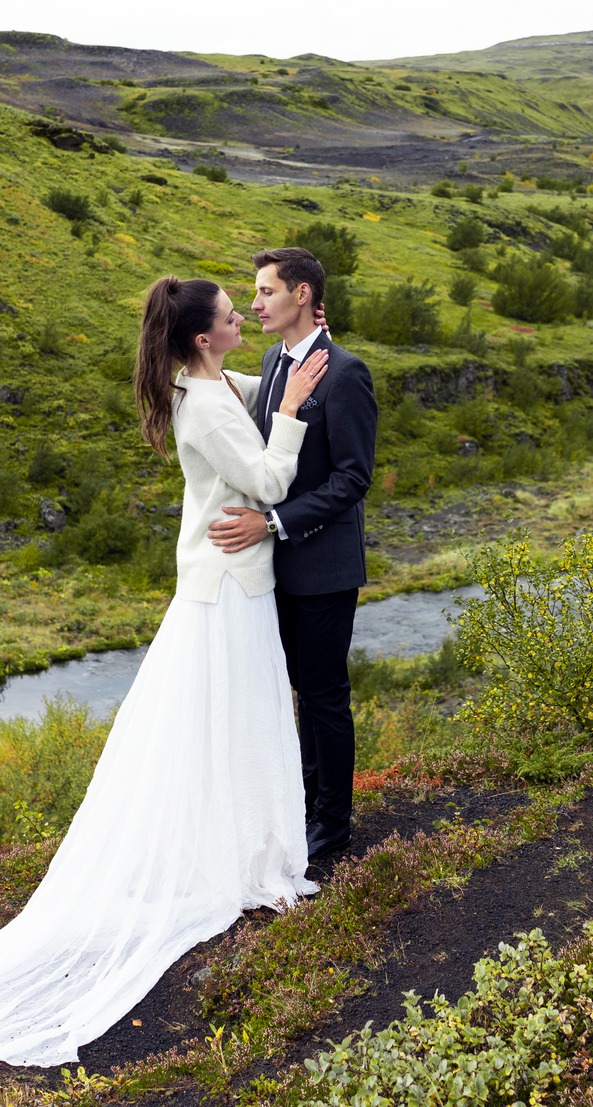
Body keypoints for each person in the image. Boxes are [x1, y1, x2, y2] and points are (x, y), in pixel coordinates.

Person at [0, 277, 329, 1069]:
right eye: (231, 315)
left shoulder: (216, 380)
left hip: (224, 581)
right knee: (244, 717)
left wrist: (297, 356)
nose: (240, 319)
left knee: (234, 719)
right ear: (201, 338)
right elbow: (266, 482)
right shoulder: (208, 404)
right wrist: (289, 417)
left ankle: (242, 847)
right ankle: (248, 858)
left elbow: (263, 380)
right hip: (229, 588)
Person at [207, 247, 377, 866]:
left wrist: (272, 521)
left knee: (325, 695)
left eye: (265, 292)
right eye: (252, 295)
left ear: (302, 295)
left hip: (325, 564)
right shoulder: (273, 360)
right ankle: (299, 808)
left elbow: (353, 479)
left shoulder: (346, 373)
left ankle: (331, 828)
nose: (253, 305)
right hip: (276, 565)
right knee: (291, 692)